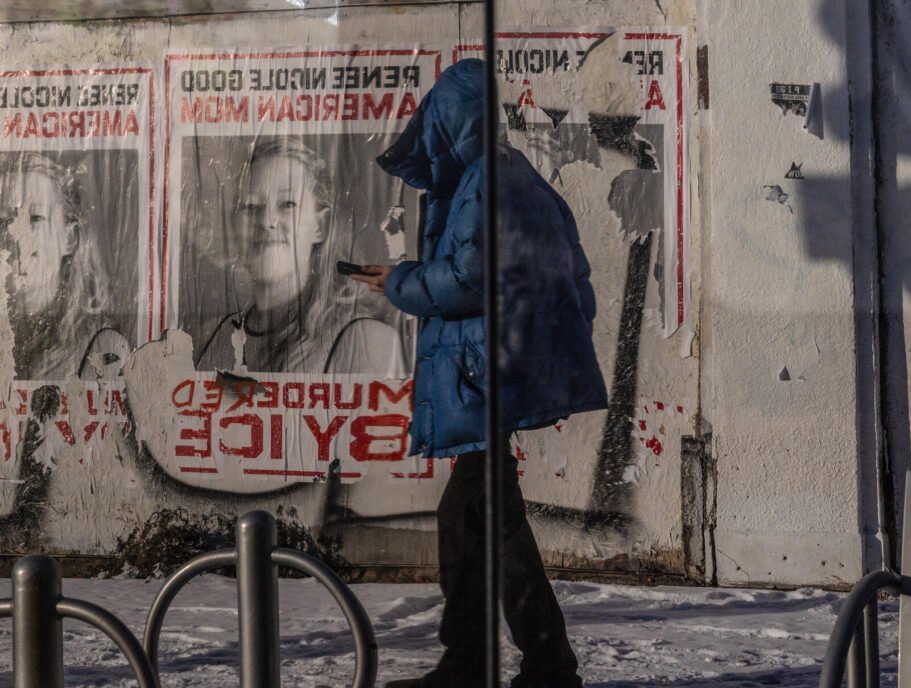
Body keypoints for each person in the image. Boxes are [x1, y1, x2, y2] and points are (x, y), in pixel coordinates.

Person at [352, 58, 608, 688]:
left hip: (484, 375)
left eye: (436, 122)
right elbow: (573, 277)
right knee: (475, 518)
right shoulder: (514, 175)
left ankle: (533, 666)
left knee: (487, 518)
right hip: (499, 372)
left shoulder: (484, 183)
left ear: (451, 121)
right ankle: (490, 661)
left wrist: (402, 281)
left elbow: (471, 278)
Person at [196, 136, 405, 375]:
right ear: (234, 225)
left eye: (287, 204)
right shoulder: (214, 336)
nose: (266, 221)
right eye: (251, 206)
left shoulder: (367, 342)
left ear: (320, 226)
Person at [0, 151, 129, 380]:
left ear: (69, 238)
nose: (15, 234)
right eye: (3, 220)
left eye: (36, 218)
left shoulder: (98, 344)